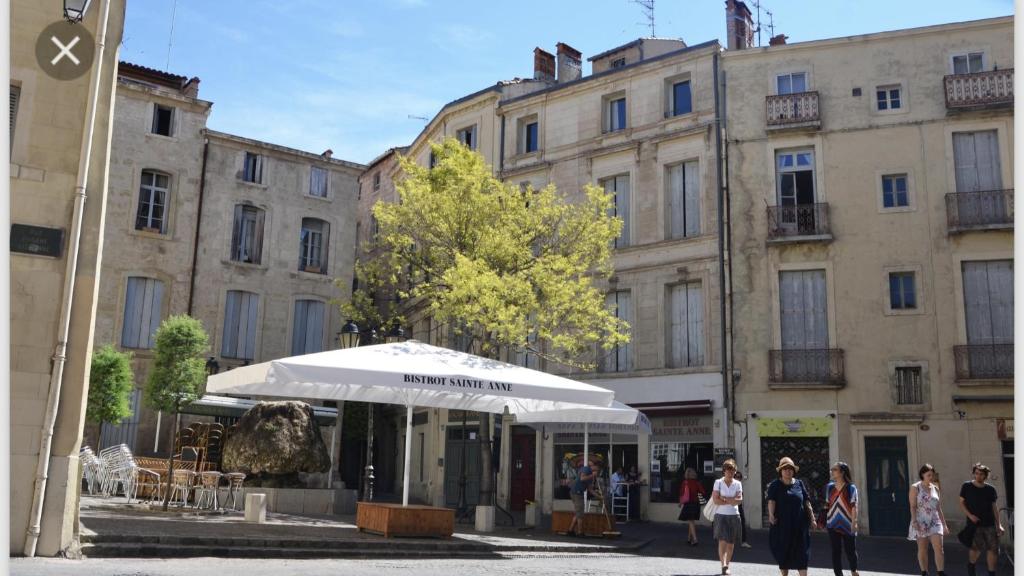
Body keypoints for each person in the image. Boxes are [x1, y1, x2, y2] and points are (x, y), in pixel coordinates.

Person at [767, 456, 817, 576]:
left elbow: (806, 502)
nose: (788, 471)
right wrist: (771, 515)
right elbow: (771, 501)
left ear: (793, 471)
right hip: (782, 526)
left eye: (790, 469)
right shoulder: (775, 485)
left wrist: (812, 518)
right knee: (784, 555)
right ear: (780, 471)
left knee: (802, 555)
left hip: (800, 526)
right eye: (785, 469)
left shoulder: (799, 484)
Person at [959, 463, 1005, 576]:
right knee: (976, 549)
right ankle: (971, 567)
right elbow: (961, 503)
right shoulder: (967, 486)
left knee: (993, 549)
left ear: (985, 475)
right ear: (974, 474)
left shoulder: (991, 489)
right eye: (976, 473)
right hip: (975, 524)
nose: (978, 476)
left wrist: (999, 524)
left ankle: (991, 573)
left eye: (981, 474)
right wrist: (970, 515)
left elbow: (994, 507)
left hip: (990, 523)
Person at [909, 463, 950, 576]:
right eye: (929, 475)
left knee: (939, 548)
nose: (931, 477)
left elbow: (938, 507)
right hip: (921, 520)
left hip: (935, 520)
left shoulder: (935, 488)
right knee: (923, 548)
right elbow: (913, 506)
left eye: (932, 475)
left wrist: (944, 525)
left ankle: (940, 572)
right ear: (922, 475)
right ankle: (924, 572)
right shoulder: (915, 487)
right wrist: (914, 521)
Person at [825, 461, 860, 576]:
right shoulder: (829, 487)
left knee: (850, 550)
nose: (832, 471)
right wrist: (825, 518)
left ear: (842, 472)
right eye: (832, 469)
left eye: (834, 469)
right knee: (836, 551)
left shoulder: (851, 488)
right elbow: (827, 504)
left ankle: (854, 570)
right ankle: (838, 574)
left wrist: (854, 522)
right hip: (832, 523)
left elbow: (854, 506)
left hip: (848, 523)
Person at [712, 459, 743, 575]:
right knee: (722, 541)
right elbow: (716, 500)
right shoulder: (718, 482)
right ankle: (723, 565)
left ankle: (727, 565)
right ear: (724, 471)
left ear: (735, 471)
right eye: (728, 470)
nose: (730, 472)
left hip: (734, 516)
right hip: (721, 515)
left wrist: (724, 498)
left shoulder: (738, 483)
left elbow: (739, 500)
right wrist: (731, 500)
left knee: (731, 543)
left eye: (733, 470)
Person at [567, 458, 597, 537]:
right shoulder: (586, 469)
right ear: (592, 465)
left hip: (578, 493)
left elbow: (590, 489)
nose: (597, 468)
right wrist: (592, 475)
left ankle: (570, 530)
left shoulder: (591, 476)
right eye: (596, 466)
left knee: (578, 513)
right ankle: (580, 532)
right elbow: (582, 478)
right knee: (580, 514)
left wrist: (599, 496)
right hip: (576, 492)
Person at [678, 467, 706, 546]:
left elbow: (681, 493)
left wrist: (680, 502)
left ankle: (695, 539)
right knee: (692, 521)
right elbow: (703, 492)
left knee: (691, 521)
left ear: (687, 474)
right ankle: (689, 538)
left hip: (688, 504)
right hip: (696, 504)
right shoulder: (697, 483)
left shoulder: (685, 482)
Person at [735, 470, 752, 548]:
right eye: (737, 477)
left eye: (740, 477)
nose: (738, 479)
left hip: (738, 506)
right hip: (730, 507)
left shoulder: (739, 485)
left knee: (742, 522)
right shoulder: (731, 485)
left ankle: (743, 541)